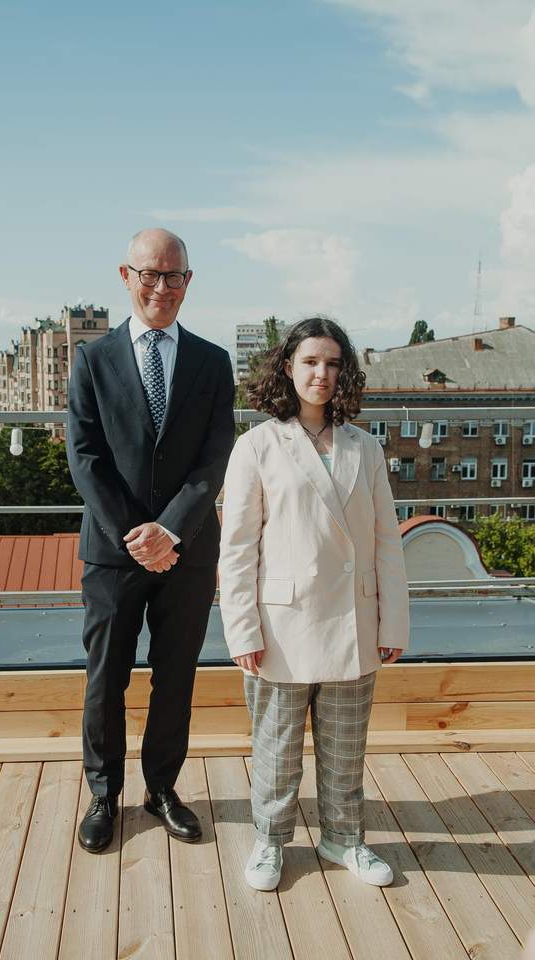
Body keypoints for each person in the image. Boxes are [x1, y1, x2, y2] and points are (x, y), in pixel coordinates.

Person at [218, 316, 409, 890]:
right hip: (281, 625)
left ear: (343, 372)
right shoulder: (256, 446)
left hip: (354, 619)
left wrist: (393, 621)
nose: (320, 373)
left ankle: (344, 838)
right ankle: (270, 841)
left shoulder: (365, 446)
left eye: (331, 363)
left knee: (346, 749)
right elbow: (237, 548)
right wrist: (242, 630)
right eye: (309, 361)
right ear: (287, 367)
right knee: (276, 749)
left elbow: (386, 540)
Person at [67, 228, 235, 852]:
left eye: (173, 276)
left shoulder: (213, 362)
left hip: (187, 550)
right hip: (113, 553)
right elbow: (85, 457)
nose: (161, 287)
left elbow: (215, 456)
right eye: (149, 274)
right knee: (105, 677)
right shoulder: (92, 360)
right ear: (125, 276)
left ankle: (161, 788)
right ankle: (103, 793)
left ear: (188, 281)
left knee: (176, 676)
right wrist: (135, 534)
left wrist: (170, 530)